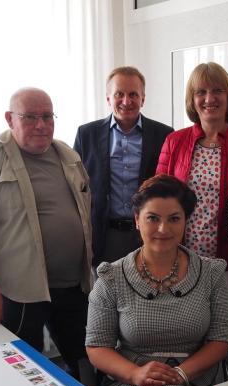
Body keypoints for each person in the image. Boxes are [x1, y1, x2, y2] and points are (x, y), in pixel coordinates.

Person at [0, 87, 93, 379]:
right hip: (20, 292)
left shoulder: (68, 156)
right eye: (30, 117)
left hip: (71, 286)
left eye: (47, 116)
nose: (41, 125)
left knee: (84, 360)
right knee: (22, 369)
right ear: (10, 119)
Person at [85, 174, 228, 386]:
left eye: (174, 219)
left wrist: (180, 374)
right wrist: (136, 374)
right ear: (137, 219)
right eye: (153, 218)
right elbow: (97, 347)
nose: (163, 229)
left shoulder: (211, 273)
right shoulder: (111, 277)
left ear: (186, 220)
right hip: (133, 382)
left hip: (199, 378)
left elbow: (221, 340)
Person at [156, 62, 228, 313]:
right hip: (178, 262)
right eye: (201, 92)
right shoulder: (174, 142)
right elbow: (156, 202)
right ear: (192, 99)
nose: (209, 99)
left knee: (220, 332)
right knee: (180, 329)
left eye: (217, 91)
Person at [74, 66, 174, 266]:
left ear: (143, 99)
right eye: (119, 94)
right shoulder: (87, 134)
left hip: (149, 233)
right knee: (105, 286)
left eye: (133, 94)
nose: (126, 101)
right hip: (103, 235)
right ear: (108, 98)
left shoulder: (164, 135)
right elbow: (75, 185)